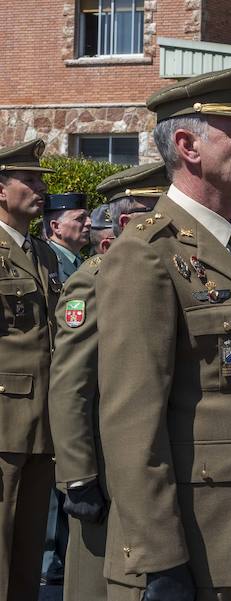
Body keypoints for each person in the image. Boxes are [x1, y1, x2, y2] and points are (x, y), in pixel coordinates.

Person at [95, 66, 231, 601]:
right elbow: (131, 421)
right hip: (199, 547)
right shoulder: (147, 254)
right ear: (189, 145)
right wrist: (160, 558)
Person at [48, 161, 167, 601]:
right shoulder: (92, 280)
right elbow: (70, 384)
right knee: (94, 584)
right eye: (157, 209)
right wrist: (78, 477)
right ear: (124, 221)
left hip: (145, 461)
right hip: (103, 464)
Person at [0, 138, 61, 601]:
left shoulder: (40, 253)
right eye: (31, 180)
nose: (41, 189)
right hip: (3, 422)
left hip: (41, 422)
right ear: (2, 191)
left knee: (27, 550)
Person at [43, 192, 91, 282]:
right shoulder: (46, 263)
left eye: (88, 217)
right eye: (80, 218)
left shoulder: (78, 260)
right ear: (56, 227)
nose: (89, 222)